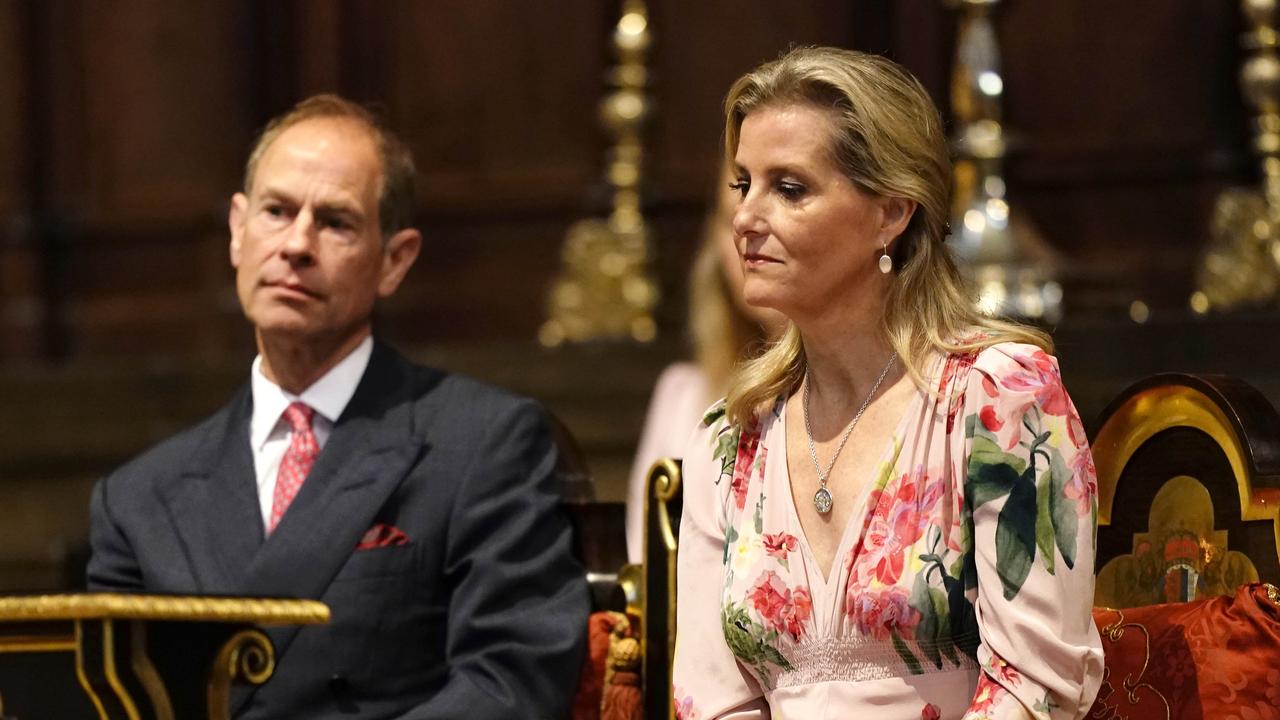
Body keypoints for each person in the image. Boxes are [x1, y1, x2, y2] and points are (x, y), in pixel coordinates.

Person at [86, 95, 589, 720]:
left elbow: (511, 680)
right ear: (238, 232)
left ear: (394, 260)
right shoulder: (137, 499)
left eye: (335, 222)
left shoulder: (484, 443)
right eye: (276, 211)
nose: (296, 244)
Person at [672, 48, 1103, 720]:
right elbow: (712, 701)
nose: (746, 218)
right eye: (742, 184)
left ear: (892, 212)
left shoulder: (997, 399)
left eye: (789, 188)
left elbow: (1034, 682)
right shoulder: (729, 442)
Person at [624, 173, 784, 562]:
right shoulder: (684, 396)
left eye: (789, 195)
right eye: (731, 216)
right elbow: (645, 564)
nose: (747, 231)